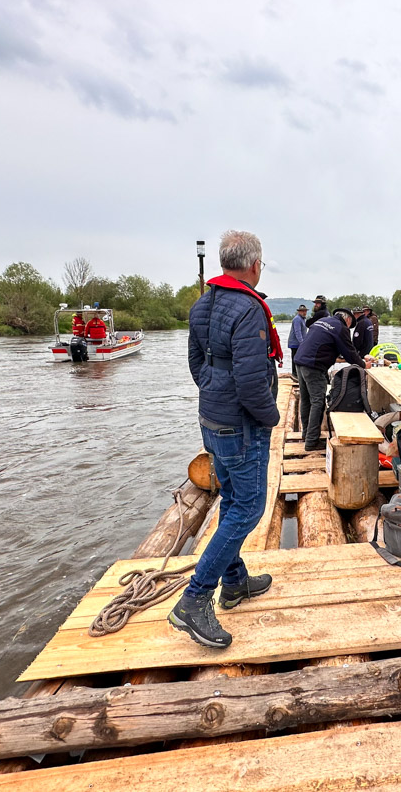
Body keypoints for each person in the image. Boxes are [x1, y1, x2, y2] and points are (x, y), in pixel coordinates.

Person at [171, 230, 281, 649]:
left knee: (232, 501)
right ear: (254, 265)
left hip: (211, 418)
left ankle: (234, 583)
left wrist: (214, 389)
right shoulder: (249, 308)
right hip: (242, 423)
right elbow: (253, 381)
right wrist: (270, 417)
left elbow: (196, 363)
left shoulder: (203, 303)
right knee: (249, 507)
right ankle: (195, 599)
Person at [293, 307, 367, 451]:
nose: (348, 328)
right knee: (318, 402)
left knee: (306, 400)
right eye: (349, 325)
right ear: (347, 319)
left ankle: (306, 434)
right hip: (314, 366)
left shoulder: (322, 321)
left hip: (300, 362)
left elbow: (324, 345)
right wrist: (364, 364)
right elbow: (350, 352)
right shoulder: (341, 328)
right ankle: (311, 441)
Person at [288, 304, 309, 377]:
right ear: (299, 312)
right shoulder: (297, 319)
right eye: (302, 311)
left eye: (305, 311)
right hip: (295, 343)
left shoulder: (303, 319)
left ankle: (298, 373)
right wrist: (302, 343)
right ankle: (294, 374)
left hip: (300, 343)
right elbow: (298, 332)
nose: (304, 312)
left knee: (299, 358)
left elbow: (304, 332)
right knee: (295, 358)